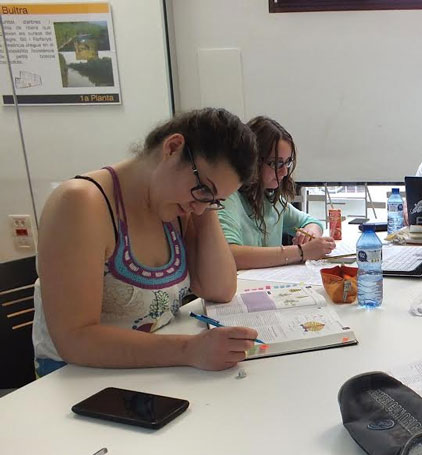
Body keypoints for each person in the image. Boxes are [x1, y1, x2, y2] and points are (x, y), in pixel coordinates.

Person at [33, 108, 260, 374]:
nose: (199, 208)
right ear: (172, 148)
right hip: (77, 379)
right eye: (203, 189)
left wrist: (207, 205)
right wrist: (189, 350)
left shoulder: (179, 209)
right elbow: (75, 339)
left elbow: (218, 289)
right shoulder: (81, 203)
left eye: (215, 200)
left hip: (151, 369)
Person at [219, 117, 336, 269]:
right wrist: (301, 251)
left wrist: (310, 233)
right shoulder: (228, 198)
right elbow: (230, 255)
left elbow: (311, 222)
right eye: (276, 163)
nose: (285, 172)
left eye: (287, 162)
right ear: (253, 161)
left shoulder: (271, 199)